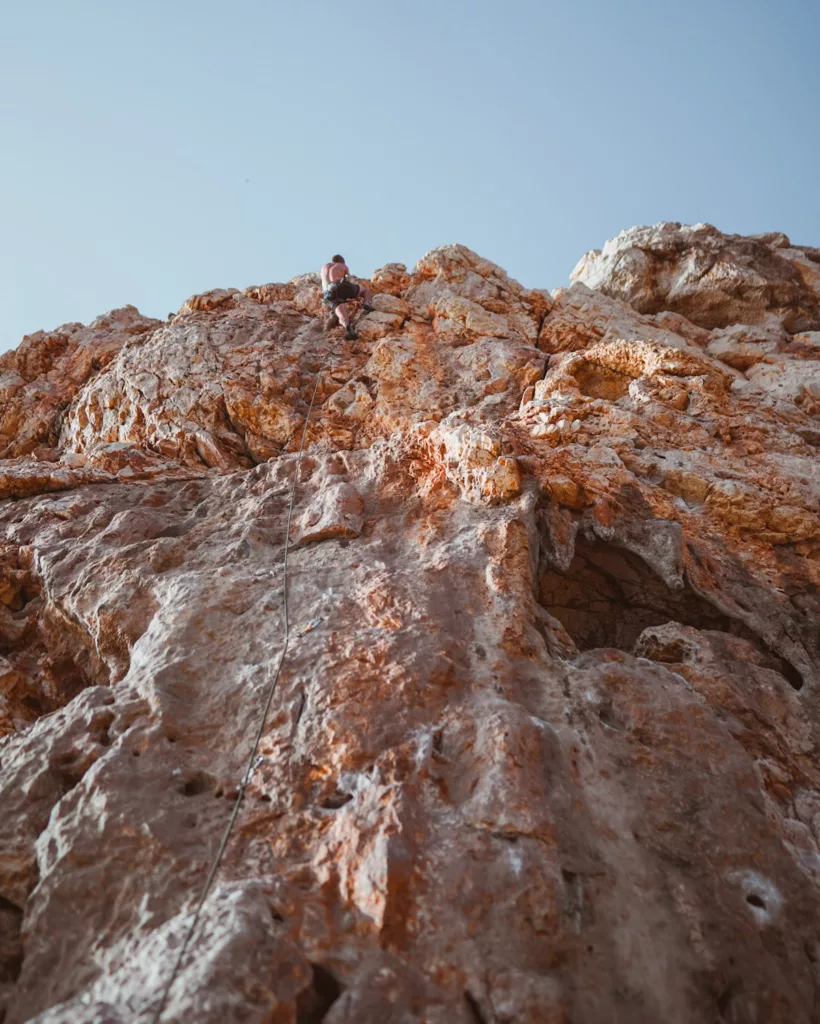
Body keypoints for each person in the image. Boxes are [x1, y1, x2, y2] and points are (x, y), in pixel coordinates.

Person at [321, 255, 374, 340]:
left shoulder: (324, 268)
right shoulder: (341, 265)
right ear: (342, 261)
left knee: (342, 316)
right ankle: (367, 304)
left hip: (329, 293)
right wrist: (354, 298)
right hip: (341, 285)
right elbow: (348, 280)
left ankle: (348, 328)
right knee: (365, 291)